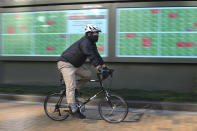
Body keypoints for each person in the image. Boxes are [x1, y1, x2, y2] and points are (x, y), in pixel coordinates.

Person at [57, 24, 108, 119]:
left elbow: (96, 55)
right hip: (66, 64)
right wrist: (99, 68)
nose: (97, 35)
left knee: (88, 75)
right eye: (95, 33)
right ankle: (73, 109)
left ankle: (75, 90)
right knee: (70, 86)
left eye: (98, 33)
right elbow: (90, 56)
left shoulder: (91, 43)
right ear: (89, 34)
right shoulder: (85, 42)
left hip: (76, 64)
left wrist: (105, 67)